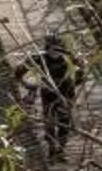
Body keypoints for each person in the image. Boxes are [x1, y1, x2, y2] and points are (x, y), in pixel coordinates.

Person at [38, 32, 76, 162]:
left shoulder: (68, 58)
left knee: (64, 122)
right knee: (49, 121)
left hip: (66, 93)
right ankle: (51, 148)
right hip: (48, 94)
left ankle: (61, 150)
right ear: (47, 47)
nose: (55, 51)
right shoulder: (39, 58)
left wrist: (72, 88)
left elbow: (81, 72)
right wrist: (29, 86)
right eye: (52, 47)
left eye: (58, 47)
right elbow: (19, 72)